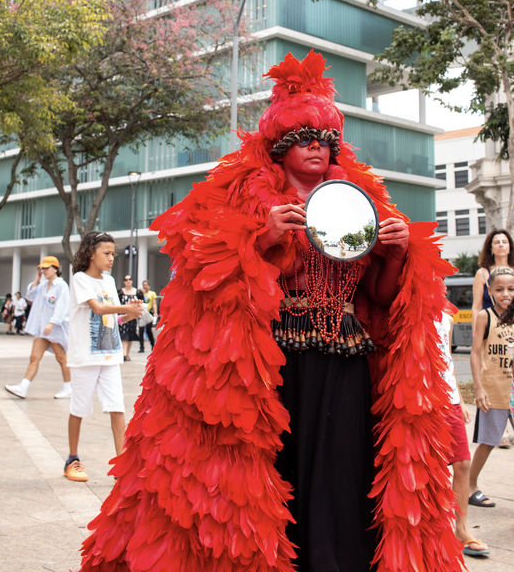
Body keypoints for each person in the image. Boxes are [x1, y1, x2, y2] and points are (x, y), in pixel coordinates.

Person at [77, 51, 464, 572]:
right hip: (273, 364)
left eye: (326, 140)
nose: (317, 149)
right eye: (303, 138)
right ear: (278, 148)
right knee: (275, 469)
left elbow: (379, 294)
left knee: (341, 469)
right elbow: (205, 275)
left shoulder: (361, 200)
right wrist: (260, 238)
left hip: (347, 359)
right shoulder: (239, 197)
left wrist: (396, 252)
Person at [64, 231, 143, 482]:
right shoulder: (79, 279)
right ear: (91, 253)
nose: (111, 259)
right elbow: (97, 308)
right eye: (106, 253)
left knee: (117, 407)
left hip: (110, 356)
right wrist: (125, 307)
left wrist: (131, 314)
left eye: (113, 254)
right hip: (85, 357)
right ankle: (72, 459)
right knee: (79, 408)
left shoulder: (109, 282)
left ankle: (122, 463)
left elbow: (113, 318)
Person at [435, 310, 489, 557]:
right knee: (431, 469)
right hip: (424, 399)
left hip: (451, 399)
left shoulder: (449, 317)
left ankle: (461, 528)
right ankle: (434, 529)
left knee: (463, 463)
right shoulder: (407, 310)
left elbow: (448, 359)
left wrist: (459, 397)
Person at [468, 265, 514, 508]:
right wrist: (478, 388)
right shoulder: (486, 316)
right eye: (500, 289)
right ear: (490, 291)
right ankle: (471, 485)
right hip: (493, 390)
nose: (505, 294)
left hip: (512, 389)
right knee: (488, 442)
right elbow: (475, 354)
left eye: (510, 289)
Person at [5, 257, 71, 399]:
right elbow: (29, 295)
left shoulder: (61, 286)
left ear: (55, 269)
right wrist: (37, 278)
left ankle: (68, 386)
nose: (44, 270)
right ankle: (23, 386)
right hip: (42, 329)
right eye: (42, 268)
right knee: (34, 357)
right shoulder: (42, 286)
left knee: (61, 358)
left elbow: (62, 307)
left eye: (47, 268)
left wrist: (52, 323)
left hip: (55, 328)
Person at [471, 228, 514, 331]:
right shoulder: (482, 274)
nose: (501, 244)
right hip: (490, 330)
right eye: (496, 242)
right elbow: (476, 307)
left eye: (504, 242)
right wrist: (476, 335)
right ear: (491, 248)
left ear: (510, 247)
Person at [117, 274, 144, 361]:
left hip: (133, 317)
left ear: (132, 281)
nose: (128, 281)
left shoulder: (138, 292)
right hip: (123, 316)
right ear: (124, 282)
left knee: (130, 335)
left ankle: (127, 353)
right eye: (126, 279)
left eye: (130, 279)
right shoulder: (120, 292)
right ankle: (124, 354)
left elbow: (142, 302)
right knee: (123, 334)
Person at [138, 280, 157, 353]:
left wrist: (155, 312)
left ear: (149, 286)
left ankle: (153, 345)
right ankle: (141, 347)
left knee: (149, 331)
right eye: (144, 285)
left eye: (146, 285)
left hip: (149, 313)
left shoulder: (152, 293)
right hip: (142, 313)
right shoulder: (140, 293)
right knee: (141, 331)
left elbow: (154, 303)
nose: (145, 286)